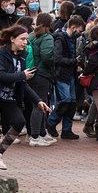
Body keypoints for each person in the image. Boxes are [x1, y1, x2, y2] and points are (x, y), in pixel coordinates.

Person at [0, 24, 52, 169]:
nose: (25, 42)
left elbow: (23, 83)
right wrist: (21, 75)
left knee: (19, 122)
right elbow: (1, 75)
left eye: (26, 39)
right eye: (22, 39)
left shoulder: (22, 57)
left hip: (9, 98)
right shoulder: (2, 54)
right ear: (12, 39)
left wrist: (38, 101)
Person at [46, 15, 85, 140]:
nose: (79, 34)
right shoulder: (61, 39)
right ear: (73, 27)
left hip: (69, 74)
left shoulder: (68, 38)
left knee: (72, 103)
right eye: (78, 31)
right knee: (65, 101)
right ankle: (51, 123)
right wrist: (74, 61)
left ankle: (66, 130)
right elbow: (57, 59)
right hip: (62, 75)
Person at [27, 13, 58, 147]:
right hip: (42, 74)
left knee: (37, 103)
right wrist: (53, 64)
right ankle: (35, 136)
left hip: (30, 73)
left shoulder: (30, 36)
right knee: (39, 104)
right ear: (49, 25)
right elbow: (47, 57)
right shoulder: (47, 37)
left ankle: (39, 133)